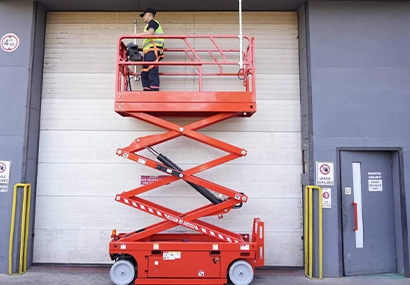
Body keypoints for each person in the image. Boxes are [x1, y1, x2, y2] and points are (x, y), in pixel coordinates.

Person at [139, 8, 164, 91]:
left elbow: (150, 33)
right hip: (148, 52)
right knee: (145, 73)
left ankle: (154, 92)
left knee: (152, 71)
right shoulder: (150, 24)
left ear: (149, 15)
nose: (143, 17)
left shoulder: (153, 23)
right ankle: (147, 91)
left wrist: (136, 35)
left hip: (152, 51)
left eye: (144, 15)